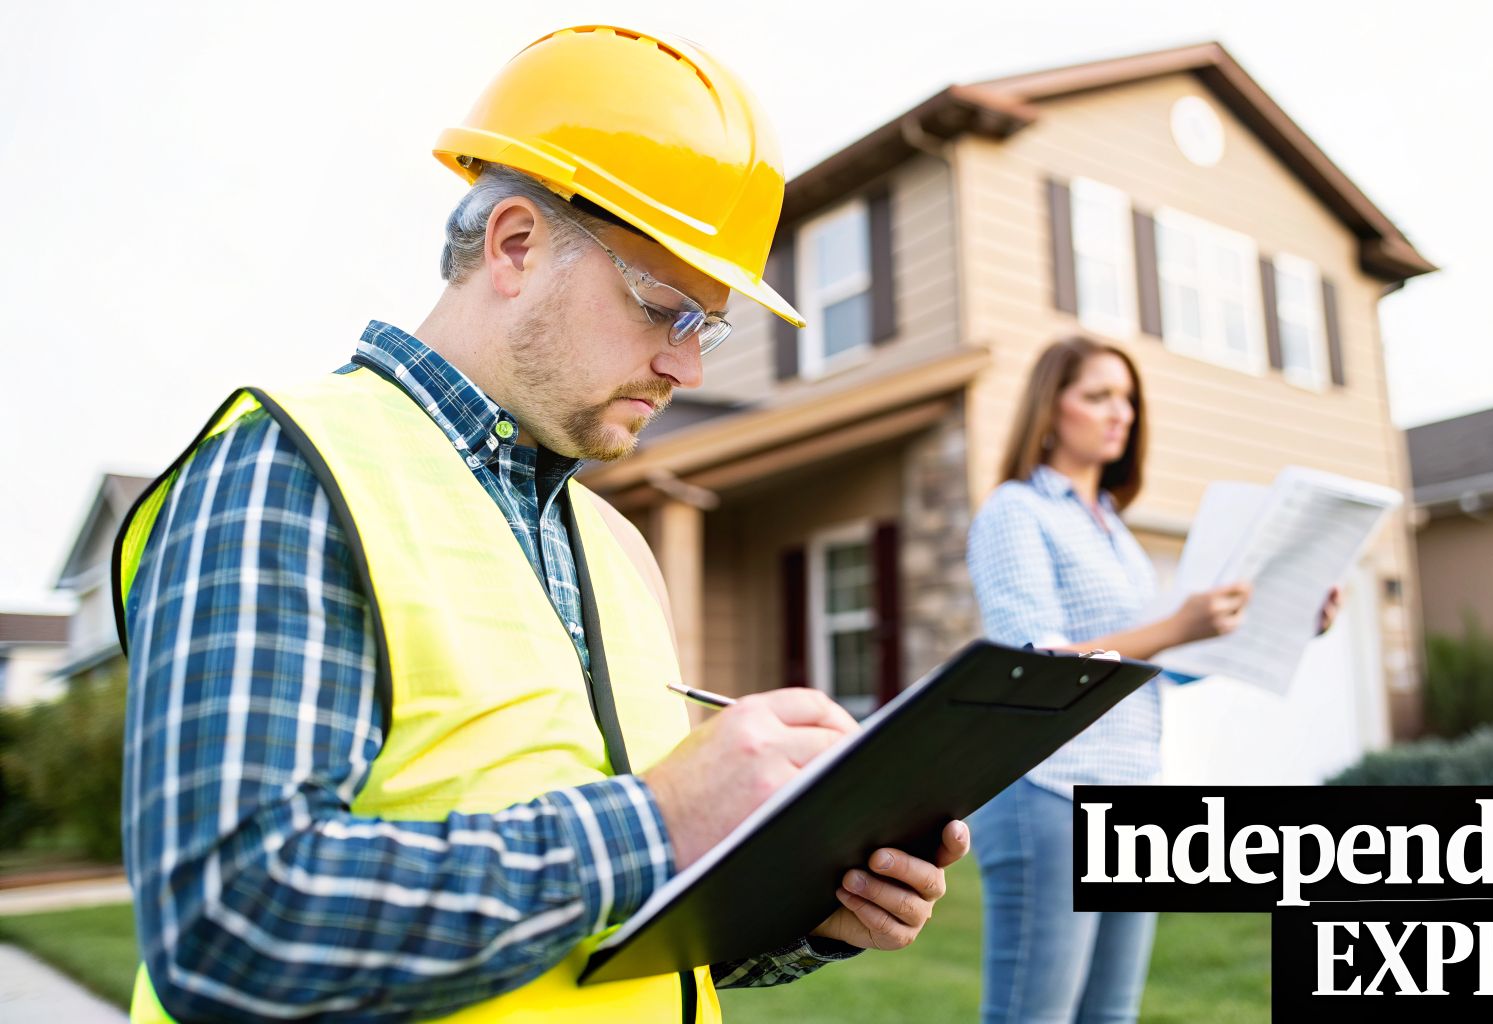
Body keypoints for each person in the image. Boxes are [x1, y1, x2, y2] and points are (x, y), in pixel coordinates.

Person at [116, 25, 966, 1024]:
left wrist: (810, 912)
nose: (688, 368)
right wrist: (658, 818)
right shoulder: (288, 470)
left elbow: (607, 924)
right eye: (664, 309)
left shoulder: (614, 548)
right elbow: (229, 924)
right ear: (515, 246)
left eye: (709, 328)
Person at [965, 337, 1340, 1023]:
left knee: (1110, 1017)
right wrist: (1177, 624)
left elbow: (1160, 666)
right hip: (1048, 789)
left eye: (1129, 399)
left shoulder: (1115, 532)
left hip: (1130, 790)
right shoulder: (1015, 512)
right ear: (1051, 407)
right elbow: (1038, 668)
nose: (1121, 413)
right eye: (1098, 395)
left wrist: (1291, 622)